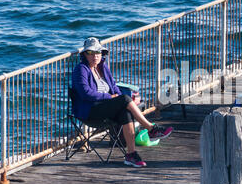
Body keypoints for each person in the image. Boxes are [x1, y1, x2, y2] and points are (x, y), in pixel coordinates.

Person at [72, 37, 173, 167]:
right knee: (125, 99)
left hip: (105, 108)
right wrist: (111, 98)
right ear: (85, 54)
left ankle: (131, 155)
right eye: (90, 53)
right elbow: (85, 93)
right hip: (90, 111)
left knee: (125, 111)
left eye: (98, 52)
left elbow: (114, 88)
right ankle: (151, 129)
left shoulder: (103, 67)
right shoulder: (81, 69)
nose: (95, 56)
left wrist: (117, 99)